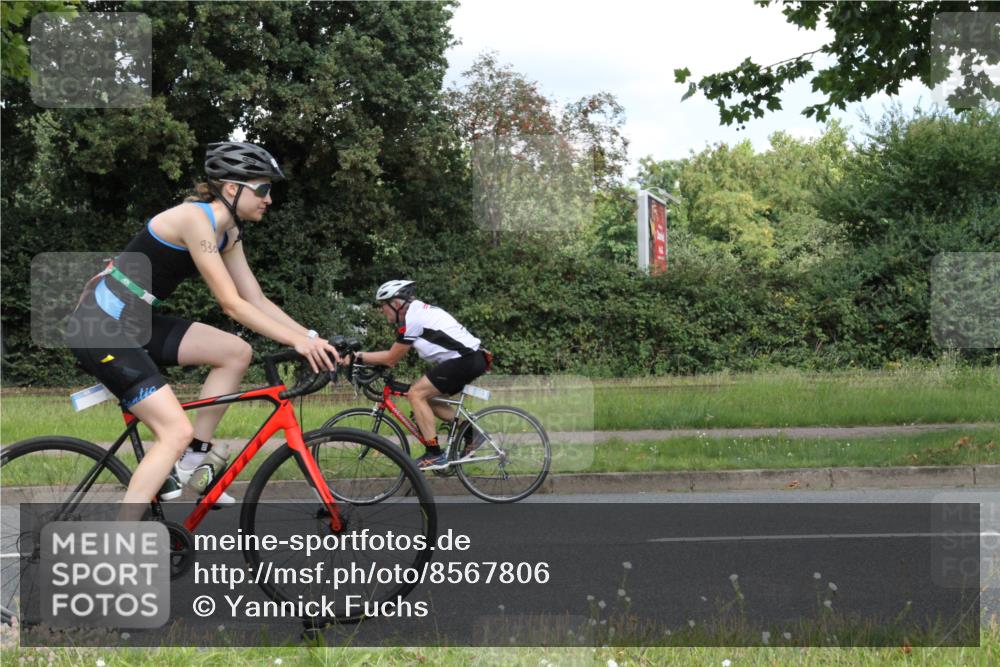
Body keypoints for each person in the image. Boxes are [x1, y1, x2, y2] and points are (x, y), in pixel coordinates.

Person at [66, 142, 339, 515]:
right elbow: (231, 303)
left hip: (135, 323)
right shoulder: (195, 219)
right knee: (173, 431)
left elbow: (255, 299)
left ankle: (193, 461)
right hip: (100, 326)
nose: (269, 199)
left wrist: (309, 338)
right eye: (263, 188)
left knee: (235, 353)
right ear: (231, 188)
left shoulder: (229, 234)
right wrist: (296, 340)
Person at [355, 280, 488, 470]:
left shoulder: (413, 318)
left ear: (396, 303)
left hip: (465, 359)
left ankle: (434, 454)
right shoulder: (418, 312)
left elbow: (391, 358)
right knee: (429, 399)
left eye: (383, 305)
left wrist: (357, 357)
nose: (381, 310)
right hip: (471, 358)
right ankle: (471, 434)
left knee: (416, 394)